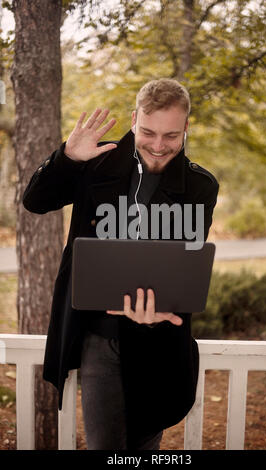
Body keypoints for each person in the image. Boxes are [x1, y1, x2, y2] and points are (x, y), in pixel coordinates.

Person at [23, 78, 219, 450]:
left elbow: (186, 262)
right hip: (101, 336)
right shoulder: (96, 163)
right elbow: (36, 201)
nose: (159, 146)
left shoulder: (200, 186)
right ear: (134, 119)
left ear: (186, 128)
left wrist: (162, 307)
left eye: (171, 136)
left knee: (146, 443)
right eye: (148, 132)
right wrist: (67, 156)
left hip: (160, 340)